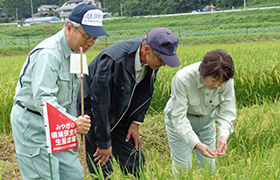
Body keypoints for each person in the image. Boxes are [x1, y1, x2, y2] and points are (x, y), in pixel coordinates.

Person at [10, 4, 108, 180]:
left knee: (73, 174)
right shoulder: (49, 54)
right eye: (87, 36)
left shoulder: (78, 53)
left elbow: (71, 95)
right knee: (43, 176)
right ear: (69, 28)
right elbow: (44, 100)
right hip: (33, 122)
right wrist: (72, 124)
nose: (91, 43)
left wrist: (71, 129)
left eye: (95, 38)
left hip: (60, 123)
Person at [78, 27, 181, 178]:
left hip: (122, 111)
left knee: (134, 161)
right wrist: (104, 143)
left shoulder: (152, 61)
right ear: (146, 50)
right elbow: (99, 103)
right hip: (94, 115)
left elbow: (145, 92)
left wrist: (135, 122)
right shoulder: (113, 61)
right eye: (162, 60)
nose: (164, 64)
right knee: (101, 165)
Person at [164, 49, 236, 176]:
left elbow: (227, 111)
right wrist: (196, 144)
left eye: (221, 82)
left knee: (209, 167)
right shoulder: (183, 78)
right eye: (214, 80)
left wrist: (223, 135)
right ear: (203, 72)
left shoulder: (226, 80)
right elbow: (179, 118)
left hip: (206, 122)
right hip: (180, 121)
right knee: (183, 167)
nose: (217, 85)